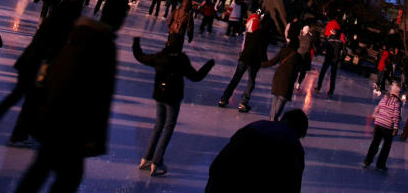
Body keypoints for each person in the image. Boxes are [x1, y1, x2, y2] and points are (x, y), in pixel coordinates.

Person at [13, 17, 115, 192]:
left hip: (52, 122)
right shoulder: (94, 54)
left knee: (41, 170)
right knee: (66, 176)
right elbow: (98, 99)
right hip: (70, 128)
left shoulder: (68, 46)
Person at [0, 0, 84, 146]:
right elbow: (53, 48)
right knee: (31, 103)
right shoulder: (64, 24)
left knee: (19, 94)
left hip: (28, 61)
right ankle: (18, 136)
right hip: (39, 67)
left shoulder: (54, 17)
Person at [132, 35, 214, 176]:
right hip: (173, 99)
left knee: (158, 126)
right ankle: (157, 163)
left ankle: (147, 158)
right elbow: (196, 77)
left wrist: (136, 43)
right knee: (168, 128)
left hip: (160, 96)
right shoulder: (181, 60)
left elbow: (141, 57)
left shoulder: (159, 57)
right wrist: (209, 64)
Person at [206, 109, 308, 193]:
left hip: (221, 176)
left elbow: (226, 154)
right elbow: (292, 185)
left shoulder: (257, 125)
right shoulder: (294, 147)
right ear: (299, 131)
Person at [218, 25, 270, 112]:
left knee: (235, 79)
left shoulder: (250, 34)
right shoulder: (264, 37)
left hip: (244, 58)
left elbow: (244, 46)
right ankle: (243, 103)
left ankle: (223, 99)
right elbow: (262, 51)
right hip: (254, 62)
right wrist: (265, 61)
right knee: (251, 81)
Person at [363, 83, 402, 172]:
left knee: (375, 143)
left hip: (378, 124)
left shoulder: (384, 98)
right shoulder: (397, 103)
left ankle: (367, 161)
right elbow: (395, 116)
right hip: (387, 126)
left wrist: (375, 116)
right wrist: (395, 128)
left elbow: (377, 108)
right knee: (386, 146)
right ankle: (380, 164)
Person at [263, 39, 301, 122]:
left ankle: (271, 121)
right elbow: (301, 69)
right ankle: (273, 122)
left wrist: (260, 64)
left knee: (275, 100)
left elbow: (272, 62)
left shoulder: (283, 51)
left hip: (278, 78)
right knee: (281, 100)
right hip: (287, 81)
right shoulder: (298, 57)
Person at [315, 32, 345, 98]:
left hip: (328, 58)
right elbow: (344, 51)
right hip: (335, 60)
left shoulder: (329, 40)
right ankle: (331, 91)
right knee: (333, 76)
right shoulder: (341, 42)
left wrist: (317, 52)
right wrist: (341, 58)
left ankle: (318, 87)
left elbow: (323, 47)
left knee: (322, 73)